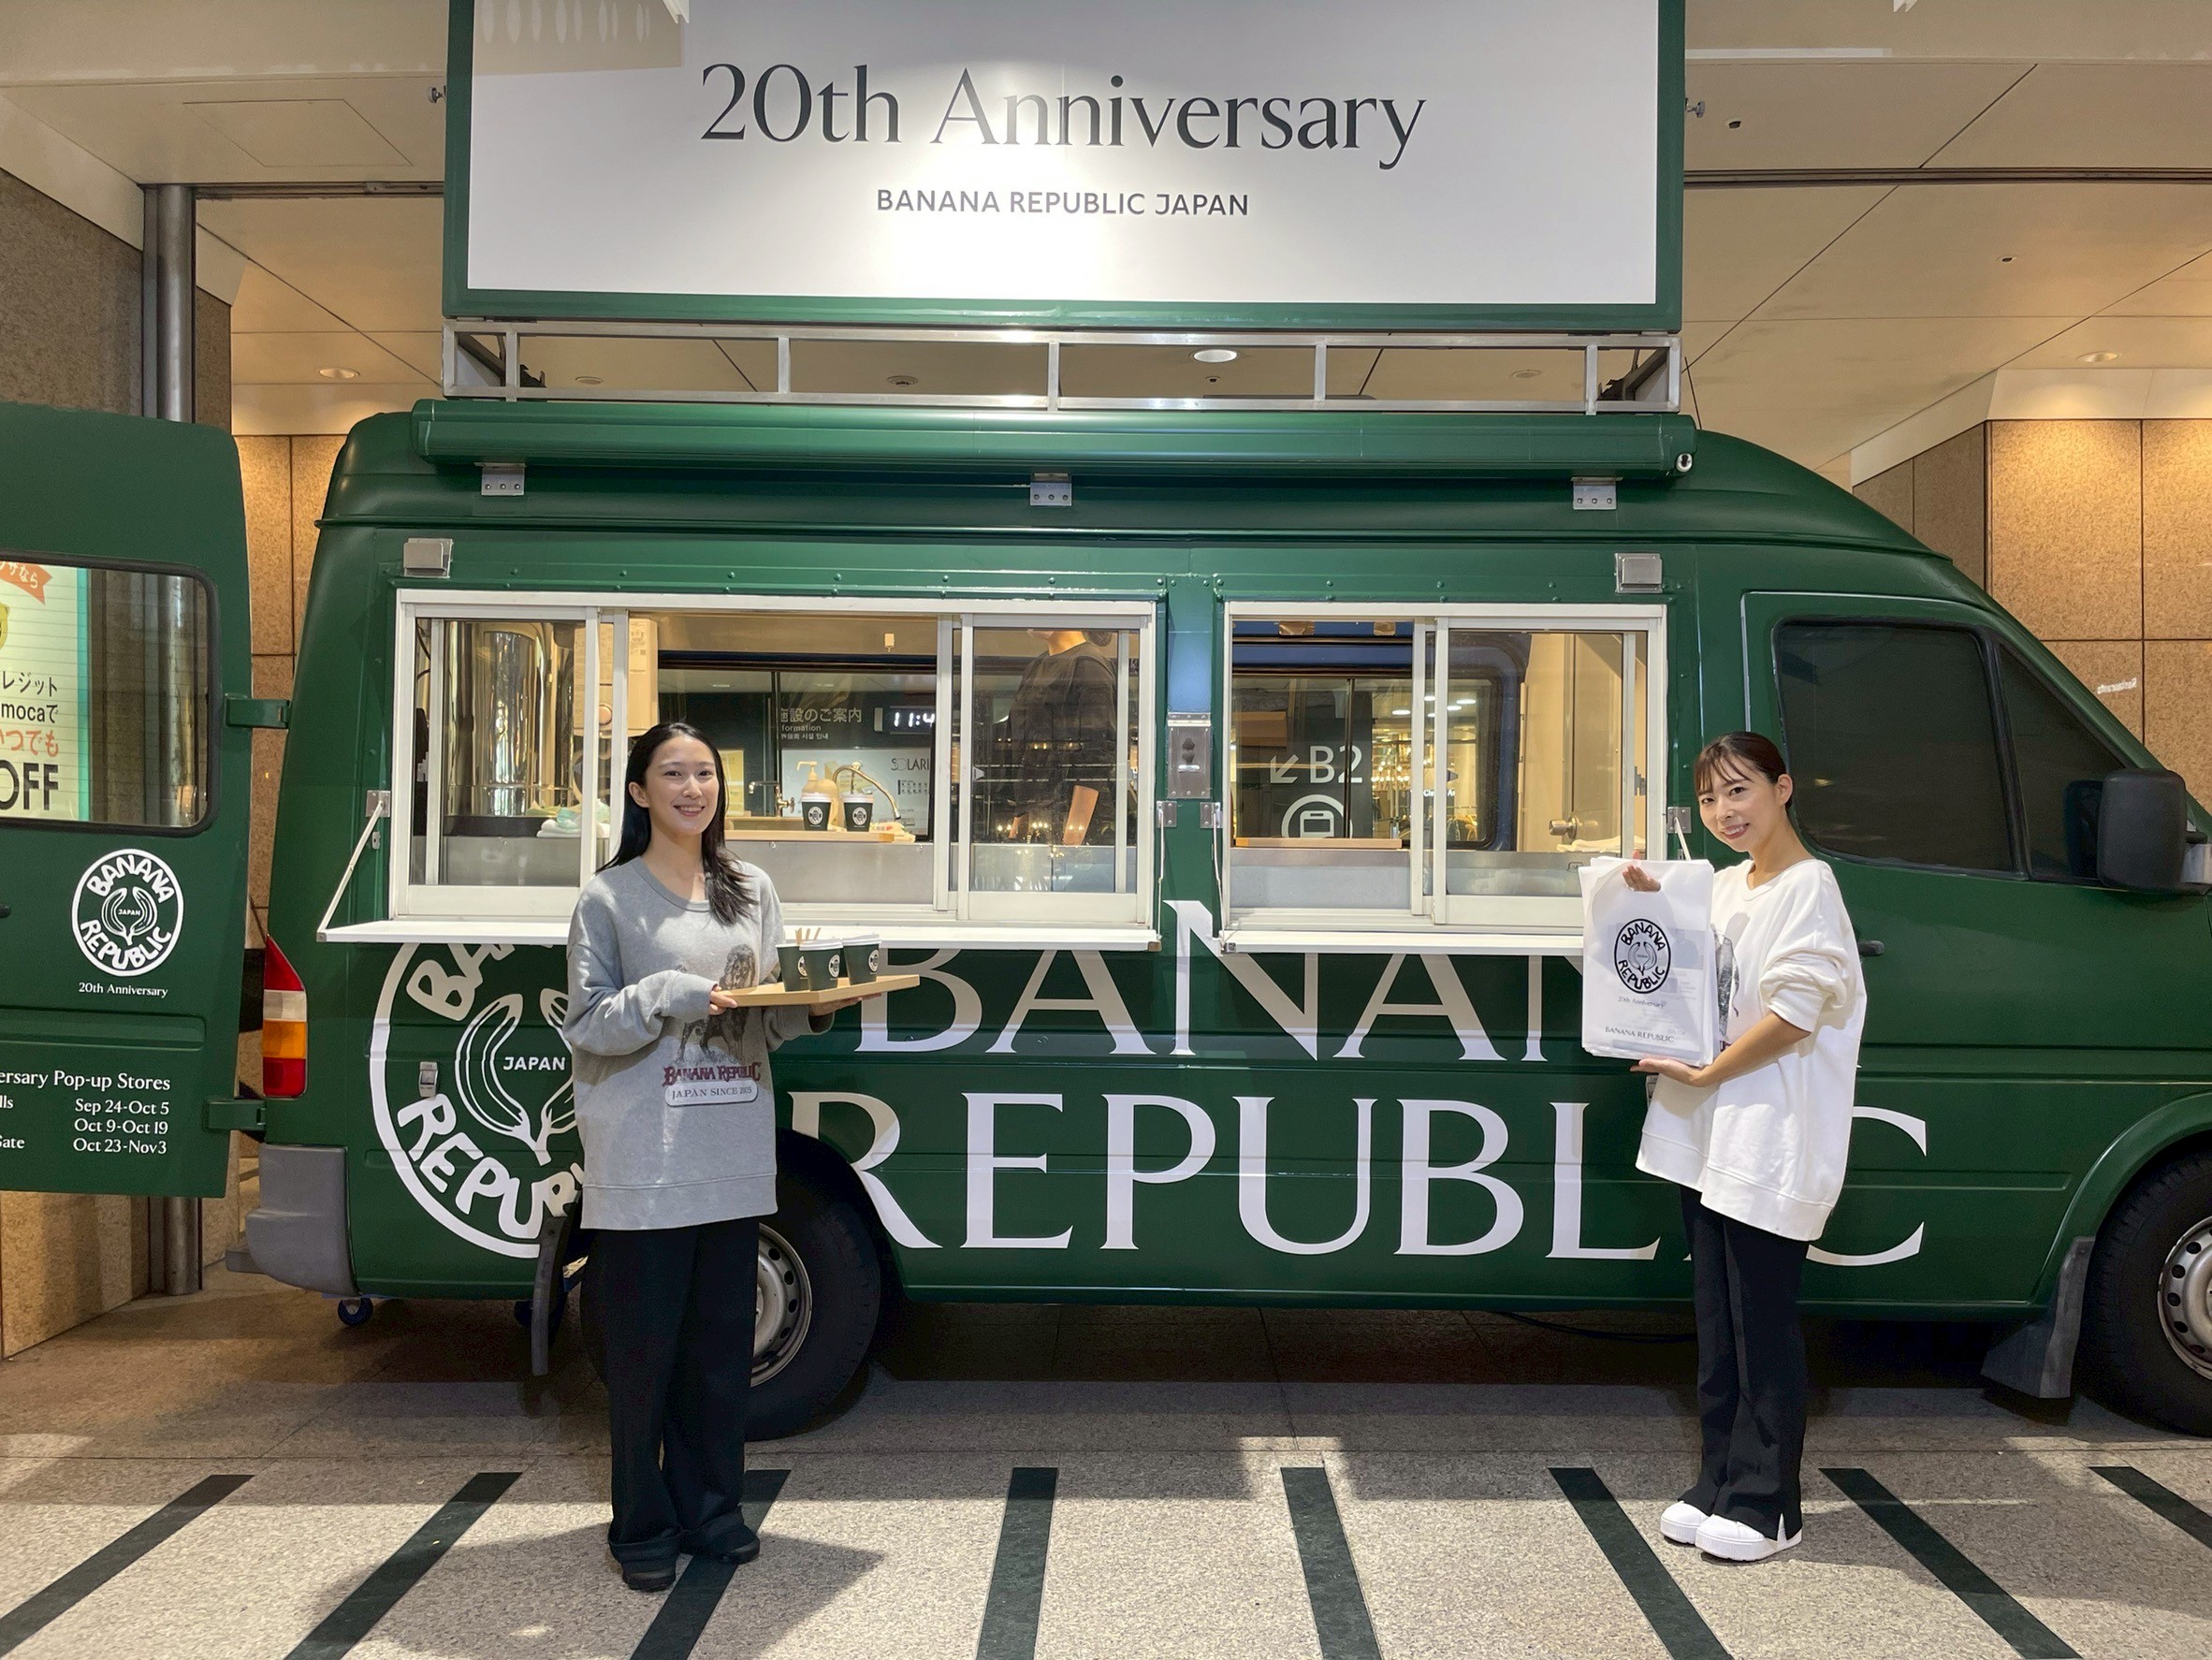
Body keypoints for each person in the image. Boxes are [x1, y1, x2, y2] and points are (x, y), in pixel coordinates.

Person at [561, 720, 857, 1593]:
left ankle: (712, 1511)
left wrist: (815, 1004)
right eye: (673, 774)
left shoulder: (750, 889)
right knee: (643, 1356)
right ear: (638, 791)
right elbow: (588, 1024)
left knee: (720, 1354)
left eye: (705, 774)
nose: (693, 789)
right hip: (645, 1157)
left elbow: (759, 1018)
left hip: (731, 1143)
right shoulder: (608, 898)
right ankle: (641, 1524)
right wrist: (669, 992)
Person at [1623, 731, 1866, 1564]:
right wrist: (1635, 899)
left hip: (1769, 1133)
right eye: (1710, 797)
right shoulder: (1727, 885)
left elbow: (1795, 1013)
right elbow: (1678, 961)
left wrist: (1707, 1070)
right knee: (1717, 1319)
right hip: (1711, 1132)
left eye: (1739, 790)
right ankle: (1720, 1478)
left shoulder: (1811, 886)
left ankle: (1771, 1504)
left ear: (1782, 788)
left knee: (1762, 1320)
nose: (1724, 811)